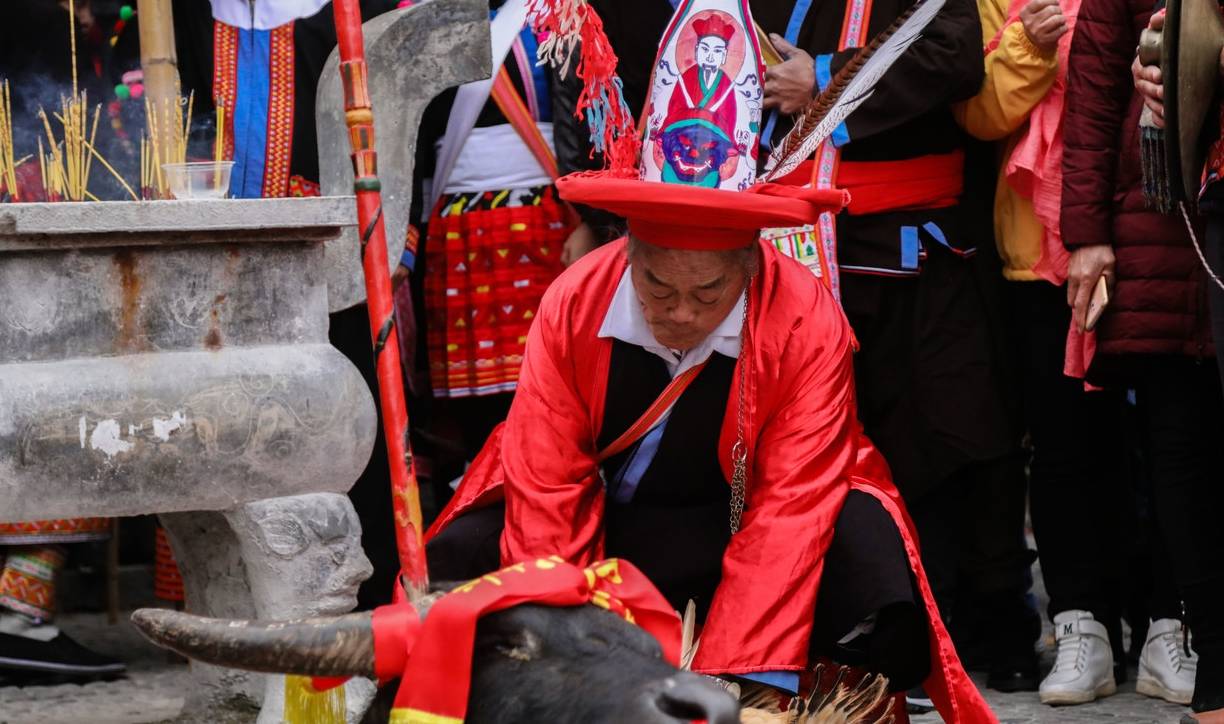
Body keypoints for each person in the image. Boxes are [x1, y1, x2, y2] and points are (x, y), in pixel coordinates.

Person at [425, 3, 993, 720]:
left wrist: (727, 687)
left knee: (864, 541)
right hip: (609, 526)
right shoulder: (574, 300)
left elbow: (790, 505)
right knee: (461, 556)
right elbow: (548, 488)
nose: (683, 311)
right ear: (626, 253)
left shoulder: (803, 311)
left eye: (709, 291)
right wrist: (583, 665)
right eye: (658, 285)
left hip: (741, 515)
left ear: (750, 264)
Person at [754, 0, 1044, 702]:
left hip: (926, 246)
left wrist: (821, 79)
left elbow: (952, 55)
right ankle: (892, 627)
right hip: (804, 249)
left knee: (964, 436)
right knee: (845, 447)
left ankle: (998, 619)